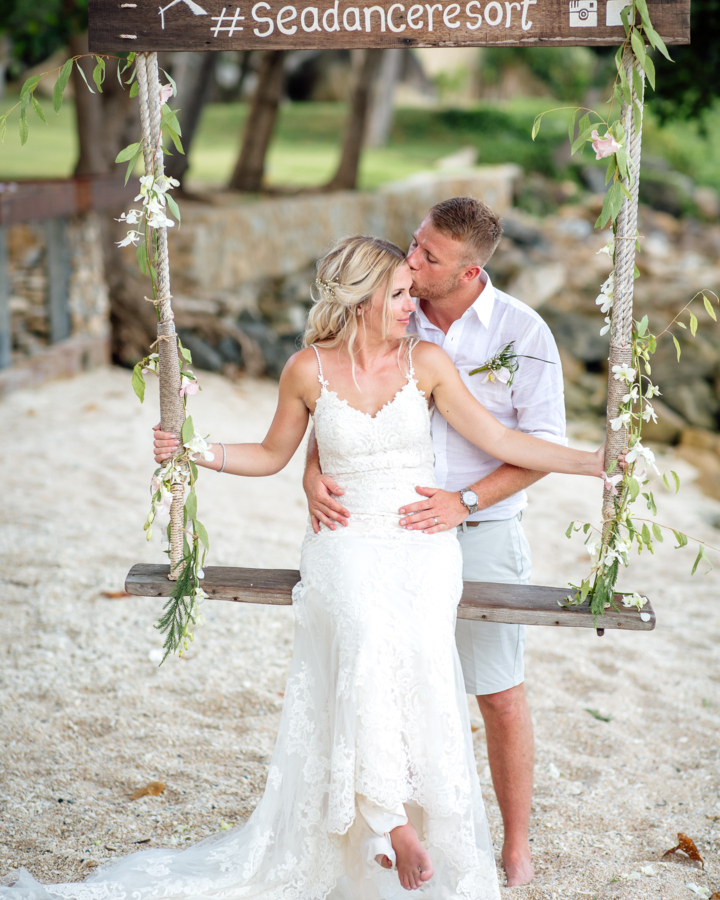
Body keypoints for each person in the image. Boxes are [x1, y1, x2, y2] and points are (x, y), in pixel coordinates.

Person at [2, 236, 603, 900]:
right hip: (343, 541)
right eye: (401, 294)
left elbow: (502, 440)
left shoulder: (426, 362)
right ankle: (390, 821)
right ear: (363, 300)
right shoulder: (306, 370)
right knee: (368, 634)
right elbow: (271, 453)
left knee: (423, 653)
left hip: (421, 544)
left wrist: (594, 462)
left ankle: (403, 817)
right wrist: (194, 449)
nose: (414, 305)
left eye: (411, 291)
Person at [303, 198, 565, 887]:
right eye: (414, 247)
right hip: (379, 531)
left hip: (481, 527)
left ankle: (513, 844)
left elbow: (534, 447)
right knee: (393, 671)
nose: (412, 264)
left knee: (498, 691)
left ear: (469, 270)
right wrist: (310, 474)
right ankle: (395, 828)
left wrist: (467, 501)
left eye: (428, 258)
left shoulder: (522, 333)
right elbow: (335, 407)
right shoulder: (392, 306)